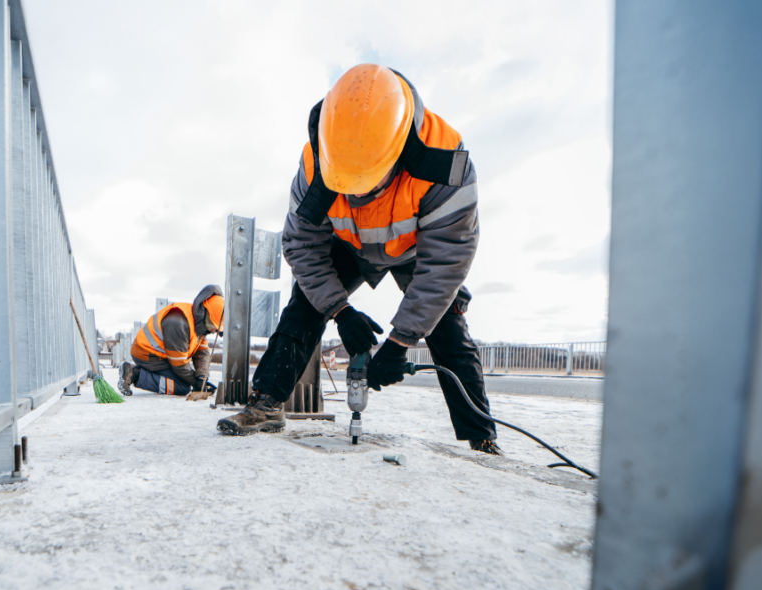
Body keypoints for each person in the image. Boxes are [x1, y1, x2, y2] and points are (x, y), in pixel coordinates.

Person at [217, 64, 500, 454]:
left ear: (399, 152)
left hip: (414, 248)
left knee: (448, 325)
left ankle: (481, 435)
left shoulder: (445, 164)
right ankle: (265, 403)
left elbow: (446, 263)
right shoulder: (316, 163)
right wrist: (340, 311)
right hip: (347, 244)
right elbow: (302, 247)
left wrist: (400, 341)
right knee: (303, 305)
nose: (356, 195)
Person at [119, 285, 223, 402]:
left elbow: (202, 353)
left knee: (185, 381)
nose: (214, 331)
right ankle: (135, 373)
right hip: (147, 354)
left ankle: (137, 373)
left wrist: (202, 378)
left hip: (162, 355)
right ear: (208, 316)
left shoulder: (199, 324)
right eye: (214, 327)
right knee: (182, 387)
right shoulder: (178, 323)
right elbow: (179, 365)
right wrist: (196, 383)